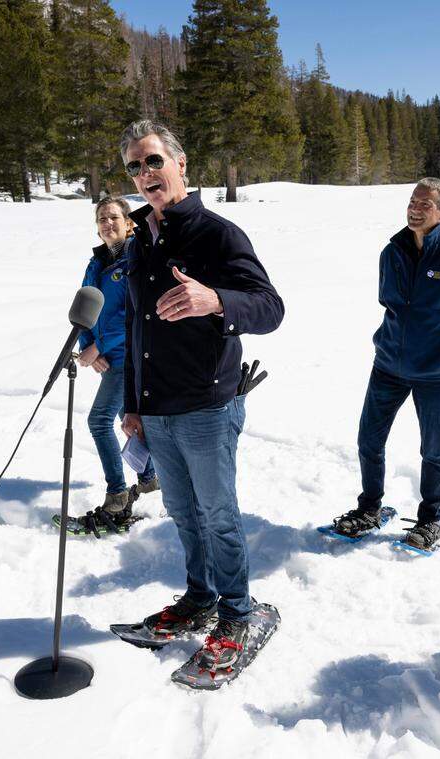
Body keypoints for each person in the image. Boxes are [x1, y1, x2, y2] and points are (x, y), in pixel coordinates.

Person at [118, 119, 284, 669]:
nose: (145, 174)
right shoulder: (140, 239)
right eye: (135, 167)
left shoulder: (217, 234)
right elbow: (135, 325)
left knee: (217, 515)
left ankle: (239, 611)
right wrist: (132, 403)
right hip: (158, 409)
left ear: (180, 164)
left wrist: (215, 300)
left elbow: (269, 307)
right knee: (183, 513)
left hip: (207, 407)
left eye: (153, 162)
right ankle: (200, 598)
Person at [328, 178, 440, 551]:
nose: (415, 209)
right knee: (369, 440)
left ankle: (430, 518)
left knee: (432, 448)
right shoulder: (393, 251)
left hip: (437, 374)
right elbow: (389, 304)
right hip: (388, 365)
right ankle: (369, 508)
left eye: (426, 204)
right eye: (413, 201)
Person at [68, 197, 158, 535]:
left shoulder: (136, 257)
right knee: (127, 419)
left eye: (114, 217)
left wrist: (99, 347)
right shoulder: (97, 261)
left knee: (99, 420)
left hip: (129, 357)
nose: (108, 223)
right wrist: (87, 348)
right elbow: (86, 307)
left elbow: (131, 314)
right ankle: (149, 479)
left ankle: (117, 494)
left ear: (129, 223)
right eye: (102, 218)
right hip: (106, 355)